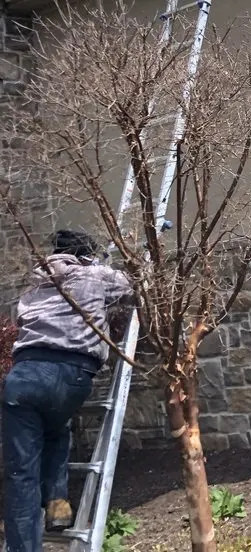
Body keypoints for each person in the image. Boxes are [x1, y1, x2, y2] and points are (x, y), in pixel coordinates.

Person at [2, 230, 133, 552]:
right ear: (85, 254)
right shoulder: (93, 274)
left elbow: (22, 320)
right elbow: (131, 287)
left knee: (22, 473)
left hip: (23, 376)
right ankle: (58, 503)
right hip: (72, 372)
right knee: (57, 426)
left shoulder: (34, 284)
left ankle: (29, 541)